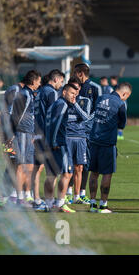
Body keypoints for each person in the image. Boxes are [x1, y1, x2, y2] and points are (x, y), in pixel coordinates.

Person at [88, 82, 132, 213]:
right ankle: (103, 205)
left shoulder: (101, 98)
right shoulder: (120, 104)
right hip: (107, 143)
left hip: (94, 140)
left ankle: (92, 204)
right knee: (107, 174)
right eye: (127, 96)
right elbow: (122, 125)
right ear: (125, 93)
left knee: (94, 173)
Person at [44, 83, 80, 213]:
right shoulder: (62, 104)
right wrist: (54, 142)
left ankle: (48, 204)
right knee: (67, 173)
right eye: (71, 93)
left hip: (49, 143)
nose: (73, 96)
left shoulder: (54, 104)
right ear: (64, 92)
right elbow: (56, 123)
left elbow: (47, 123)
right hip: (59, 144)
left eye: (75, 94)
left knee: (51, 175)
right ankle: (60, 203)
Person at [32, 69, 64, 211]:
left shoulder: (40, 91)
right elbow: (52, 115)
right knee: (52, 171)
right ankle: (49, 202)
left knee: (37, 169)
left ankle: (37, 199)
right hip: (46, 135)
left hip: (37, 133)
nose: (61, 84)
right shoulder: (51, 92)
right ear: (56, 79)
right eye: (62, 81)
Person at [10, 70, 41, 208]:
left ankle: (23, 196)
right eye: (39, 82)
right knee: (21, 166)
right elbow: (17, 115)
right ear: (33, 81)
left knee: (28, 166)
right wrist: (12, 132)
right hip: (22, 133)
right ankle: (18, 198)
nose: (39, 84)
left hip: (28, 134)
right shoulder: (25, 94)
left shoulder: (30, 94)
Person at [72, 63, 102, 203]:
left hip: (88, 132)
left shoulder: (95, 88)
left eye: (74, 72)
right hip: (73, 131)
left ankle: (82, 192)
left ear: (80, 73)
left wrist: (86, 122)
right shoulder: (72, 87)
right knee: (73, 163)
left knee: (84, 162)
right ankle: (70, 192)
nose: (73, 75)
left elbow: (98, 110)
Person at [65, 77, 92, 205]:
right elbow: (64, 119)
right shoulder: (63, 102)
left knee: (79, 167)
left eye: (77, 88)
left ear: (80, 88)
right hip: (68, 137)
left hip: (81, 138)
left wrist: (75, 104)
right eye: (72, 88)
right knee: (66, 168)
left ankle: (77, 196)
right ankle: (65, 195)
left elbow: (85, 117)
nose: (75, 91)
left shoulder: (85, 101)